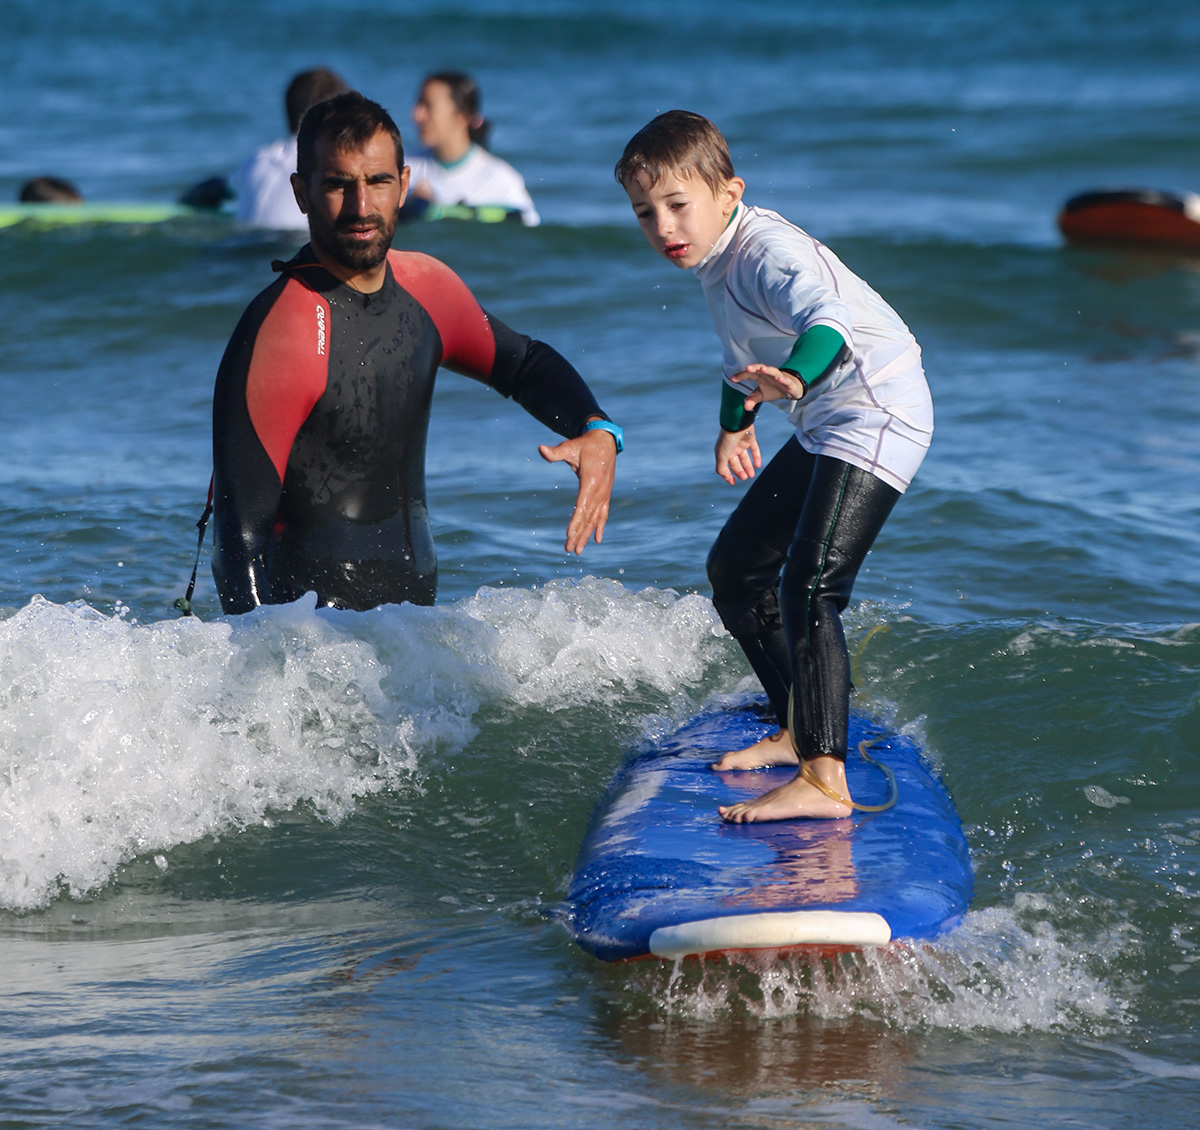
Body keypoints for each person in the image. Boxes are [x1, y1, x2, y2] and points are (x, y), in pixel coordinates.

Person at [615, 111, 932, 823]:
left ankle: (826, 781)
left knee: (810, 586)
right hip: (826, 417)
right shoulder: (713, 263)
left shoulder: (766, 251)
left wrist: (795, 375)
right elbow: (738, 368)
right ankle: (799, 728)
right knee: (736, 570)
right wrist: (736, 428)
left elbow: (828, 320)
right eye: (645, 212)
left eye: (677, 205)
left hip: (877, 408)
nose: (664, 226)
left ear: (729, 194)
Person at [211, 91, 621, 614]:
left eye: (378, 181)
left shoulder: (426, 287)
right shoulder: (281, 331)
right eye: (338, 185)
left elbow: (522, 363)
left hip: (415, 634)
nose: (362, 207)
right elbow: (237, 548)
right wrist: (272, 676)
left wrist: (597, 428)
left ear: (404, 185)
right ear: (301, 193)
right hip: (316, 646)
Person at [183, 68, 352, 224]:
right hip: (290, 246)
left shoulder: (260, 158)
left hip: (241, 244)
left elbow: (213, 189)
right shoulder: (336, 162)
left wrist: (185, 202)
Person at [404, 72, 540, 226]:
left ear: (462, 116)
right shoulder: (404, 167)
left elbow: (529, 237)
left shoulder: (502, 181)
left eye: (428, 106)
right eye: (418, 104)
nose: (416, 115)